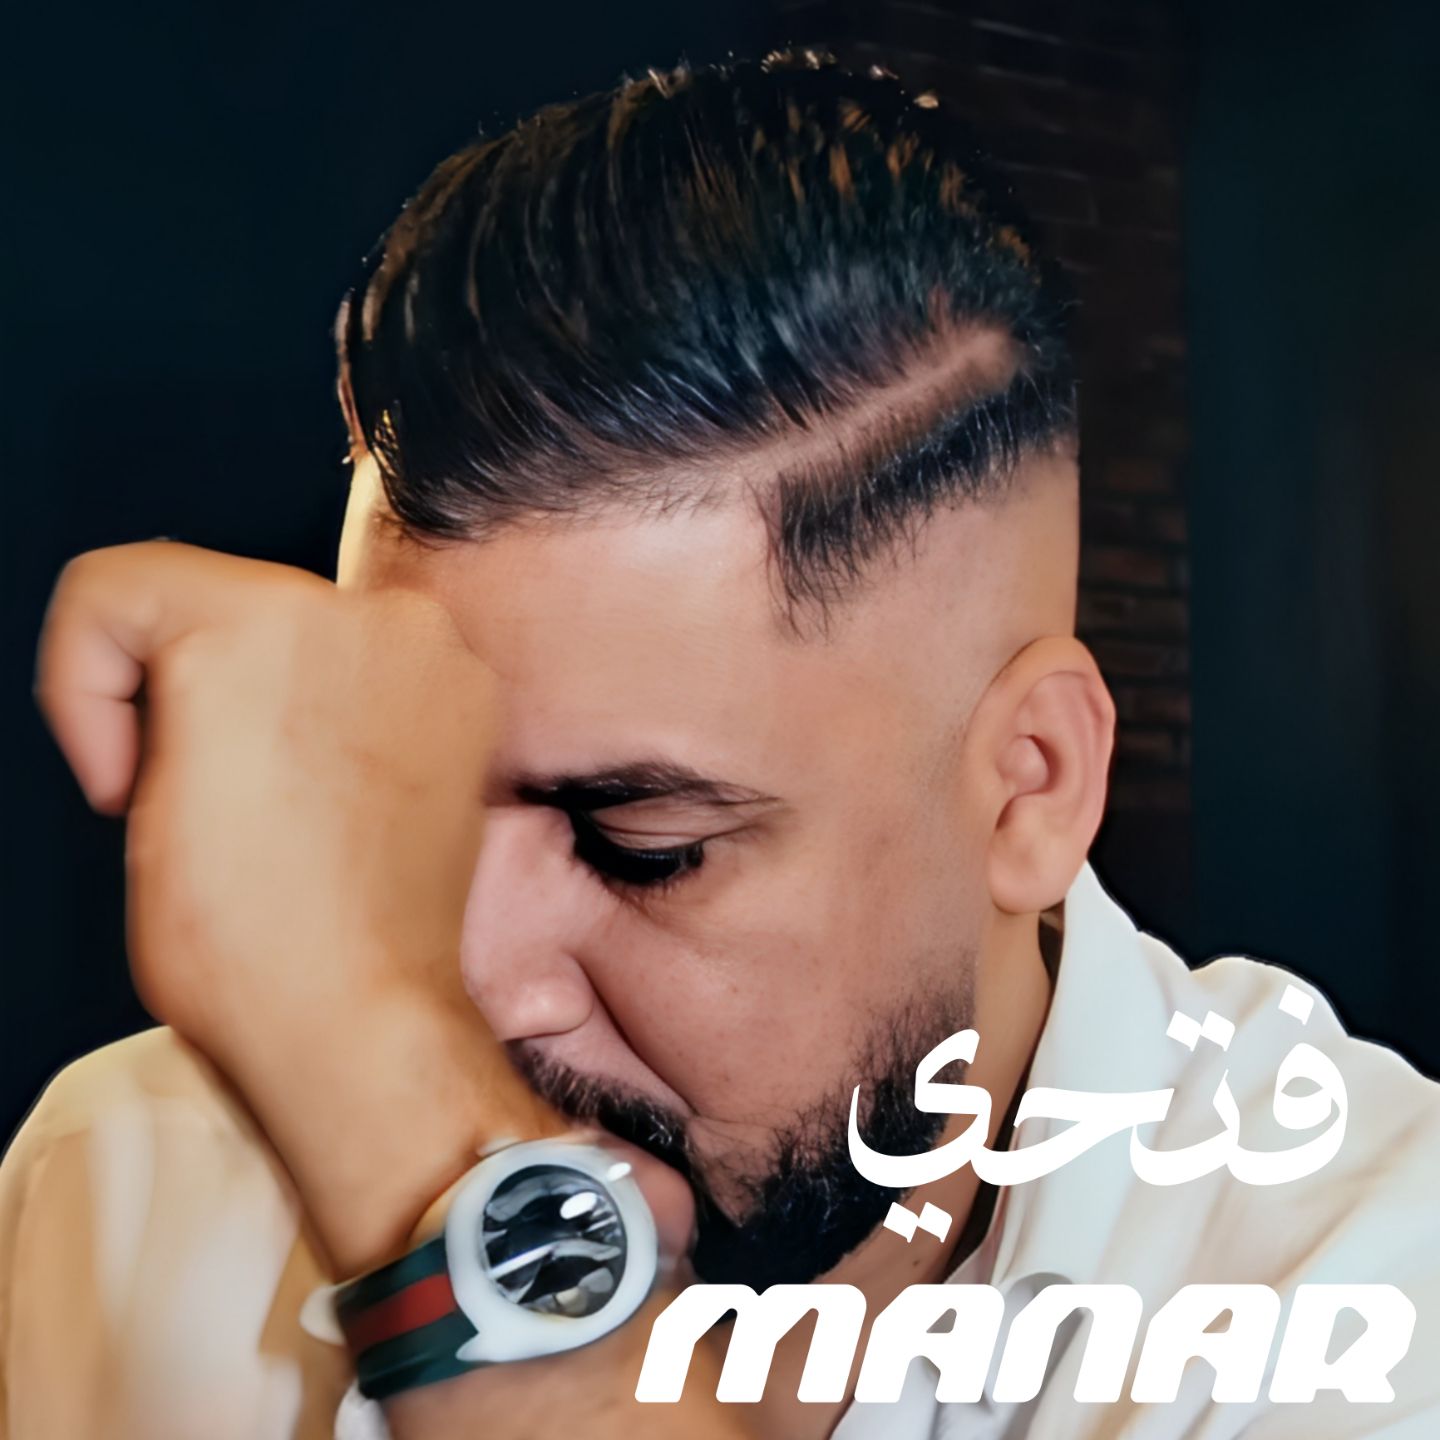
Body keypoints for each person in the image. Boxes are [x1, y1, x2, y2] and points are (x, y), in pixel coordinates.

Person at [2, 47, 1437, 1440]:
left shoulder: (1369, 1278)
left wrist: (410, 1172)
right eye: (404, 800)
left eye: (643, 848)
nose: (474, 982)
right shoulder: (129, 1180)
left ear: (1029, 791)